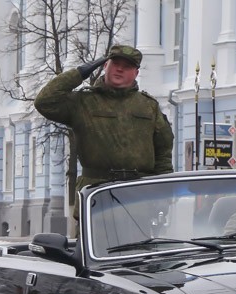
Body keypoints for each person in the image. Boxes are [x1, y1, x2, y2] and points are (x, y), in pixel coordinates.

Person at [34, 44, 174, 220]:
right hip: (96, 195)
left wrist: (163, 196)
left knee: (138, 239)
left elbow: (163, 153)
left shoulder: (148, 106)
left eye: (127, 66)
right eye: (115, 64)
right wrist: (80, 73)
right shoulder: (84, 102)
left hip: (138, 197)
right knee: (93, 238)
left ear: (136, 73)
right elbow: (44, 102)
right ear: (105, 65)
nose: (120, 69)